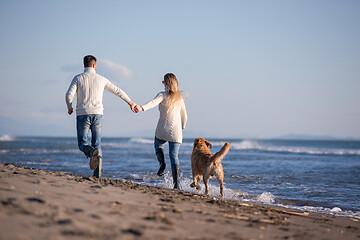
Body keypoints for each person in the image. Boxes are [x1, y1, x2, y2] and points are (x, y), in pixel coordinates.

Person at [65, 55, 137, 178]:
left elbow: (68, 95)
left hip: (82, 114)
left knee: (82, 144)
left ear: (84, 65)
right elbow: (117, 91)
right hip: (98, 114)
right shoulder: (101, 79)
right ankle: (97, 173)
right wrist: (130, 102)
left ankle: (90, 151)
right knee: (97, 144)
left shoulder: (78, 78)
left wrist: (69, 107)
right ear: (94, 65)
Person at [135, 73, 187, 189]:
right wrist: (182, 125)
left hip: (162, 130)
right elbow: (185, 116)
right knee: (174, 156)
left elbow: (152, 103)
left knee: (158, 144)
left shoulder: (162, 95)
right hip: (176, 132)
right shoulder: (180, 98)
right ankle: (176, 185)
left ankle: (162, 163)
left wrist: (141, 107)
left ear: (164, 83)